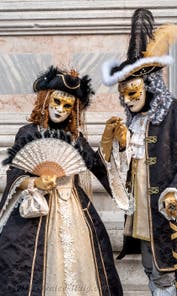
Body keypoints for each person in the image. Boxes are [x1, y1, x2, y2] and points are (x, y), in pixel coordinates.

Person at [100, 8, 177, 296]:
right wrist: (115, 144)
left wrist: (176, 191)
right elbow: (122, 170)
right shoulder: (131, 122)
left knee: (165, 272)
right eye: (122, 95)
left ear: (151, 86)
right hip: (141, 208)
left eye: (132, 92)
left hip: (167, 206)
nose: (126, 100)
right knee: (150, 264)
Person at [0, 66, 123, 296]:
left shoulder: (75, 138)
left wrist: (108, 139)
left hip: (75, 207)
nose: (60, 109)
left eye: (67, 106)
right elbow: (14, 173)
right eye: (56, 101)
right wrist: (36, 183)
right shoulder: (28, 133)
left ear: (73, 111)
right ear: (45, 100)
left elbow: (97, 167)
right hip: (41, 209)